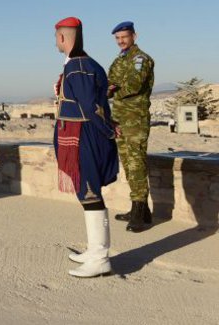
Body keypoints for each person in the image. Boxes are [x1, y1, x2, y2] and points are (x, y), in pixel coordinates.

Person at [53, 17, 119, 278]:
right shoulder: (84, 64)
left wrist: (107, 129)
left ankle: (100, 257)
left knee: (90, 192)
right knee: (86, 193)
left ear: (62, 38)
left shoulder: (79, 67)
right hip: (81, 135)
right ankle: (94, 250)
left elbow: (90, 106)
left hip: (84, 137)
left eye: (56, 37)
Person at [107, 21, 155, 232]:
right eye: (117, 38)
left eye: (124, 37)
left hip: (135, 120)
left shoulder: (141, 59)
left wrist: (113, 88)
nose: (121, 41)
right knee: (127, 164)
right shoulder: (119, 60)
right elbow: (109, 83)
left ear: (134, 36)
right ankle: (141, 211)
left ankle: (139, 210)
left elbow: (133, 86)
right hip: (119, 119)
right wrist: (111, 87)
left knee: (136, 164)